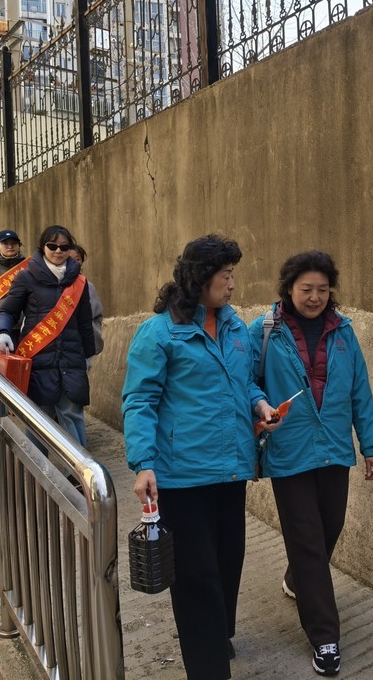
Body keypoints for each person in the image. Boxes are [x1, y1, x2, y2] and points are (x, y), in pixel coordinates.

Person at [122, 234, 274, 680]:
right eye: (225, 276)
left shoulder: (234, 327)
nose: (232, 285)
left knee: (228, 563)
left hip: (230, 470)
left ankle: (217, 634)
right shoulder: (158, 333)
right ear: (200, 278)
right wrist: (143, 463)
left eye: (232, 275)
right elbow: (140, 400)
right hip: (181, 476)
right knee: (195, 576)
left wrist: (259, 404)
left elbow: (245, 380)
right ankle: (208, 667)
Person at [249, 250, 373, 677]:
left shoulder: (343, 331)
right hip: (289, 451)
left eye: (322, 290)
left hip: (334, 449)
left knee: (329, 527)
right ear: (289, 289)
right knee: (307, 539)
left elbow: (360, 389)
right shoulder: (265, 331)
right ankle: (325, 637)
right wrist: (260, 405)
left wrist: (371, 445)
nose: (314, 297)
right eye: (306, 289)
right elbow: (245, 381)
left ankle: (297, 580)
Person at [0, 225, 96, 448]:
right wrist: (2, 332)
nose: (58, 251)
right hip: (38, 358)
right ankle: (37, 467)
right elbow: (8, 311)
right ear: (42, 247)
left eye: (64, 247)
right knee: (38, 418)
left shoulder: (79, 282)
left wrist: (88, 355)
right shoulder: (26, 277)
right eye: (52, 246)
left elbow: (85, 322)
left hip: (71, 359)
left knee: (71, 414)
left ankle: (78, 469)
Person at [68, 244, 104, 356]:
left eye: (77, 259)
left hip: (81, 346)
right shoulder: (52, 285)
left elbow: (94, 316)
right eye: (70, 259)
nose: (74, 263)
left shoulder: (87, 286)